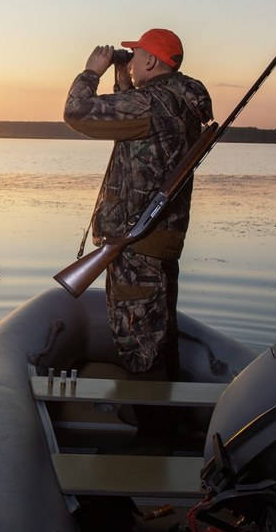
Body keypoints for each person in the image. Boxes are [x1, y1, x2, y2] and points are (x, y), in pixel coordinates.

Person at [63, 28, 213, 380]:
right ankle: (162, 418)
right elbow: (138, 132)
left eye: (135, 55)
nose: (130, 61)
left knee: (140, 343)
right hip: (159, 242)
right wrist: (124, 83)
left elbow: (77, 112)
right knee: (160, 334)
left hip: (135, 248)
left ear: (150, 60)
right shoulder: (179, 101)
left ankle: (152, 428)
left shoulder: (149, 103)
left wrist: (91, 72)